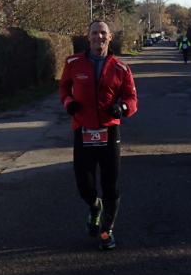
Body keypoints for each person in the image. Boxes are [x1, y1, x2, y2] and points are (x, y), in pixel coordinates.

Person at [59, 20, 138, 250]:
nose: (99, 37)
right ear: (88, 36)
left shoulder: (121, 68)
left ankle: (107, 232)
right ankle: (95, 207)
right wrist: (68, 102)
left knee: (110, 185)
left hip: (109, 130)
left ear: (110, 37)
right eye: (95, 33)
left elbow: (132, 99)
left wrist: (122, 108)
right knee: (85, 187)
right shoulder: (73, 62)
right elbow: (64, 87)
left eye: (103, 33)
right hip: (82, 129)